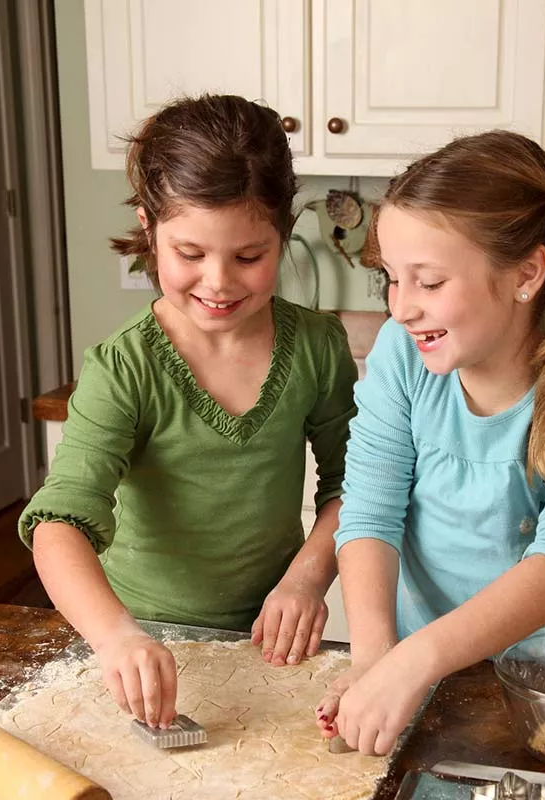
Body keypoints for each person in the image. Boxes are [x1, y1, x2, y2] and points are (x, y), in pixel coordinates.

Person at [18, 94, 357, 731]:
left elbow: (358, 484)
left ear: (283, 234)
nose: (220, 282)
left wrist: (308, 577)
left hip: (273, 636)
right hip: (141, 644)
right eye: (191, 255)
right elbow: (59, 521)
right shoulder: (124, 368)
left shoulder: (317, 346)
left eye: (249, 256)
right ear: (149, 230)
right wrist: (116, 636)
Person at [315, 130, 545, 756]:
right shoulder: (402, 355)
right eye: (391, 278)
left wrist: (412, 664)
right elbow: (369, 511)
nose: (403, 307)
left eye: (429, 282)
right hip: (417, 674)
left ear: (526, 274)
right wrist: (374, 663)